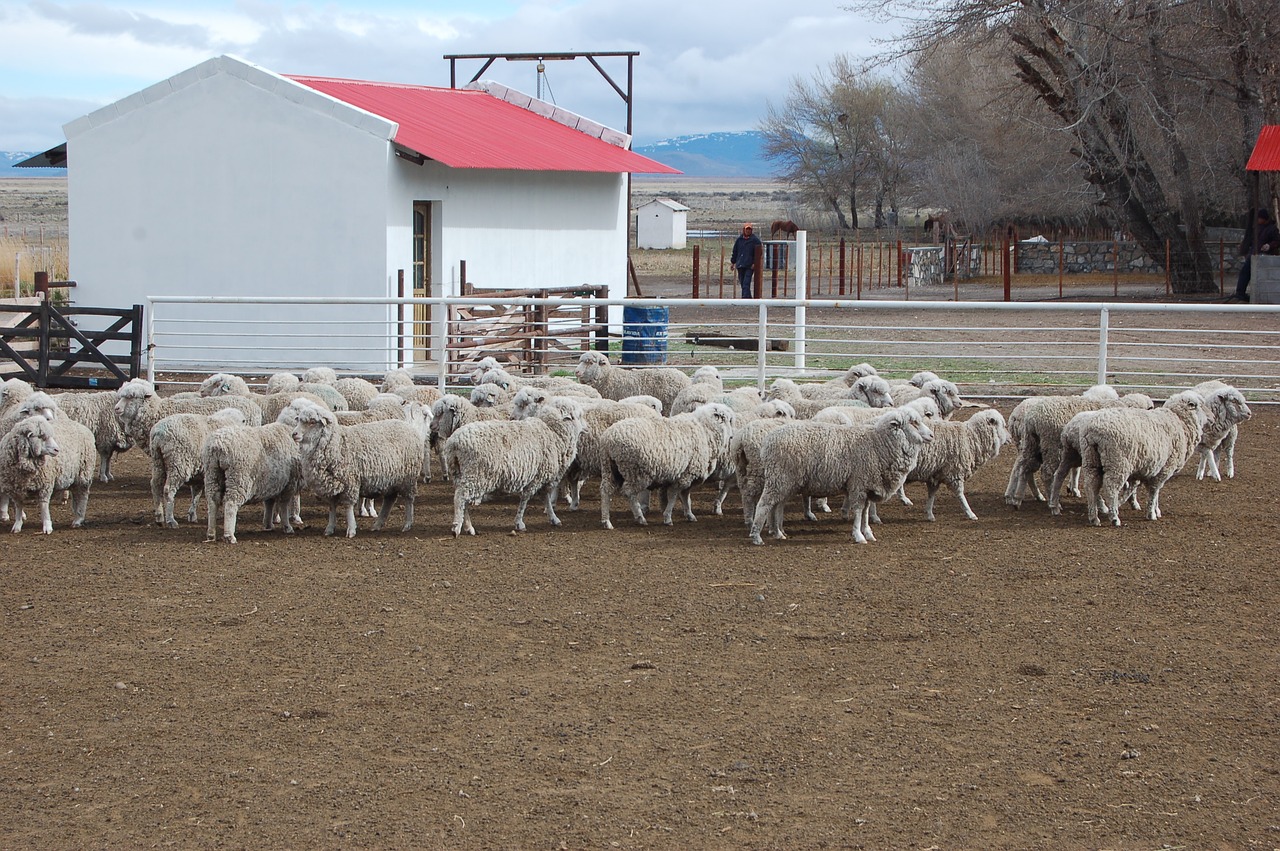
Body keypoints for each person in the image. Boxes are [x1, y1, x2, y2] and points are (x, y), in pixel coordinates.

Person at [1232, 208, 1279, 302]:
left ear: (1264, 219)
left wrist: (1269, 246)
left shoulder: (1272, 229)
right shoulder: (1258, 228)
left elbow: (1277, 241)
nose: (1258, 220)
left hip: (1263, 256)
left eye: (1259, 218)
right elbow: (1253, 240)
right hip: (1253, 254)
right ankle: (1240, 293)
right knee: (1245, 273)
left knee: (1249, 273)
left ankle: (1241, 293)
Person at [730, 222, 763, 299]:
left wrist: (755, 263)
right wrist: (733, 262)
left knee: (746, 283)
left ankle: (745, 299)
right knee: (742, 283)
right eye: (746, 229)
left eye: (749, 229)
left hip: (749, 265)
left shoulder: (755, 240)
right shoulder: (739, 240)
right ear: (743, 230)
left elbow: (759, 253)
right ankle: (748, 298)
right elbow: (735, 251)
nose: (748, 231)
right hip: (740, 264)